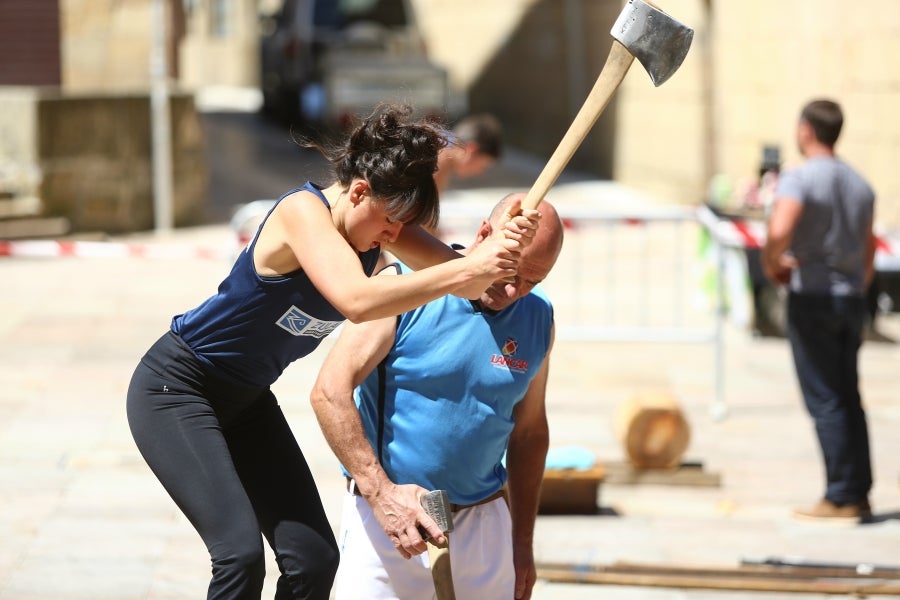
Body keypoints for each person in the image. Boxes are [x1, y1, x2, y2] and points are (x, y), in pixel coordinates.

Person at [126, 104, 541, 600]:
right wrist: (468, 269)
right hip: (177, 389)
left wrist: (505, 247)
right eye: (390, 222)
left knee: (314, 560)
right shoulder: (301, 214)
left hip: (247, 401)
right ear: (360, 190)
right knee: (238, 555)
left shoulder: (376, 222)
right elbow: (358, 301)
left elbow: (468, 281)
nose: (393, 237)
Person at [310, 195, 565, 599]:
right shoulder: (404, 287)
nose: (515, 290)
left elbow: (530, 433)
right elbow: (329, 392)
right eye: (510, 270)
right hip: (392, 520)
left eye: (533, 280)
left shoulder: (538, 316)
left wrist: (521, 544)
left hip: (482, 524)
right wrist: (379, 492)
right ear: (484, 235)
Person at [762, 98, 876, 523]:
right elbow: (868, 246)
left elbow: (781, 228)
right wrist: (857, 285)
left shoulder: (801, 178)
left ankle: (841, 495)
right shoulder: (860, 184)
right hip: (850, 298)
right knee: (848, 395)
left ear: (807, 130)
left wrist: (772, 263)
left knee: (825, 398)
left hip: (813, 296)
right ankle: (858, 491)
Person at [434, 113, 504, 194]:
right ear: (472, 150)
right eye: (482, 167)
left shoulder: (442, 148)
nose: (478, 173)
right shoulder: (437, 163)